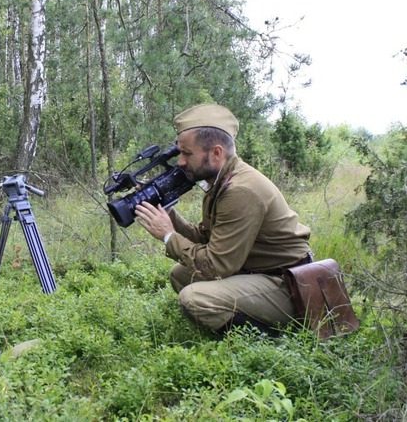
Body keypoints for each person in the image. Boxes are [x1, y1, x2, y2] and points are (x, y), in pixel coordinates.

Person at [134, 103, 312, 335]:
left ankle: (274, 339)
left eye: (187, 153)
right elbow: (206, 238)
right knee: (181, 275)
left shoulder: (240, 190)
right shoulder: (222, 179)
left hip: (288, 285)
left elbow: (215, 266)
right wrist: (168, 212)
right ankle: (237, 323)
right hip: (257, 271)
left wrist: (168, 236)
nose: (181, 161)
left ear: (216, 153)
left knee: (194, 298)